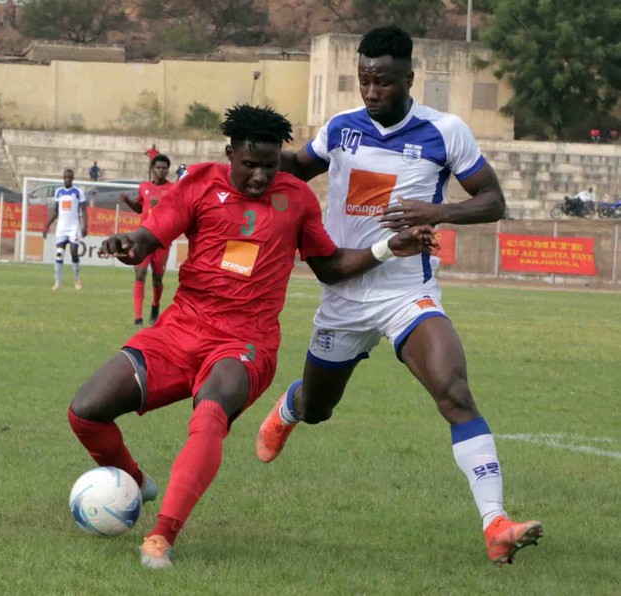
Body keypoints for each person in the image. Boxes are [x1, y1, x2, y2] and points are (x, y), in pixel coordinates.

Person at [67, 104, 437, 569]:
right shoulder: (200, 182)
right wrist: (129, 244)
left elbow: (330, 267)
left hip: (246, 341)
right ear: (230, 154)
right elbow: (151, 234)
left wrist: (387, 248)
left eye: (270, 164)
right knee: (85, 412)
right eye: (251, 165)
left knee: (209, 415)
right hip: (181, 328)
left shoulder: (297, 199)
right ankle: (136, 482)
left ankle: (162, 534)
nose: (262, 176)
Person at [256, 26, 543, 567]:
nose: (370, 90)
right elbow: (295, 167)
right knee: (321, 407)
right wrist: (226, 166)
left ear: (409, 79)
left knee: (455, 393)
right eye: (364, 79)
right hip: (343, 289)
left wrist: (439, 212)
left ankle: (496, 524)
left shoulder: (445, 131)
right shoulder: (341, 129)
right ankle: (292, 407)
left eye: (383, 81)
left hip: (407, 291)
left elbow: (493, 201)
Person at [120, 154, 174, 326]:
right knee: (140, 274)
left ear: (168, 170)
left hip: (160, 240)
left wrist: (161, 206)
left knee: (157, 279)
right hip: (143, 238)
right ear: (153, 169)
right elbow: (139, 208)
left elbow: (175, 212)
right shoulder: (144, 187)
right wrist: (128, 201)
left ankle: (155, 306)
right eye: (158, 167)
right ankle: (138, 317)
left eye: (164, 168)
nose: (161, 171)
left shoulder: (173, 189)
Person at [42, 168, 87, 290]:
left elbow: (83, 209)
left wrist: (85, 225)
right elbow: (56, 211)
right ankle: (57, 282)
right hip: (61, 228)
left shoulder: (78, 192)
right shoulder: (59, 192)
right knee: (59, 254)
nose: (68, 179)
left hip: (74, 227)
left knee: (73, 252)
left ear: (72, 179)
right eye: (66, 177)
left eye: (70, 177)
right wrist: (47, 226)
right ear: (63, 178)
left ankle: (77, 279)